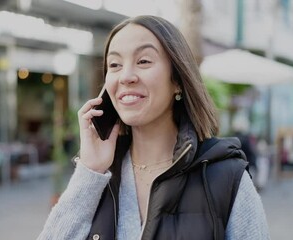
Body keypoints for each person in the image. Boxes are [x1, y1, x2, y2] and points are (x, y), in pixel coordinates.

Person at [37, 15, 269, 240]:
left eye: (144, 61)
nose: (126, 76)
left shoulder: (226, 178)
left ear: (177, 80)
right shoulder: (99, 176)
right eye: (114, 65)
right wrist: (90, 171)